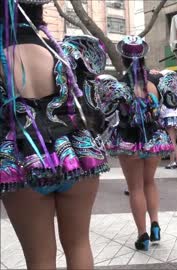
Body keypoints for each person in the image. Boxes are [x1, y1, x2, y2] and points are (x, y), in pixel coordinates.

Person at [0, 1, 108, 268]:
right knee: (80, 244)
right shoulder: (66, 54)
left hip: (23, 167)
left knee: (39, 259)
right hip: (79, 159)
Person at [104, 36, 174, 251]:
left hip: (128, 141)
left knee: (135, 188)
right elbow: (169, 105)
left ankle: (142, 235)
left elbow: (107, 114)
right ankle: (155, 225)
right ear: (143, 57)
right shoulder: (155, 83)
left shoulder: (119, 86)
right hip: (153, 140)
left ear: (123, 59)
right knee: (149, 183)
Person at [159, 70, 177, 169]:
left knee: (171, 140)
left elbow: (162, 108)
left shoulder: (163, 92)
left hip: (168, 117)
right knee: (173, 140)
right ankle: (174, 161)